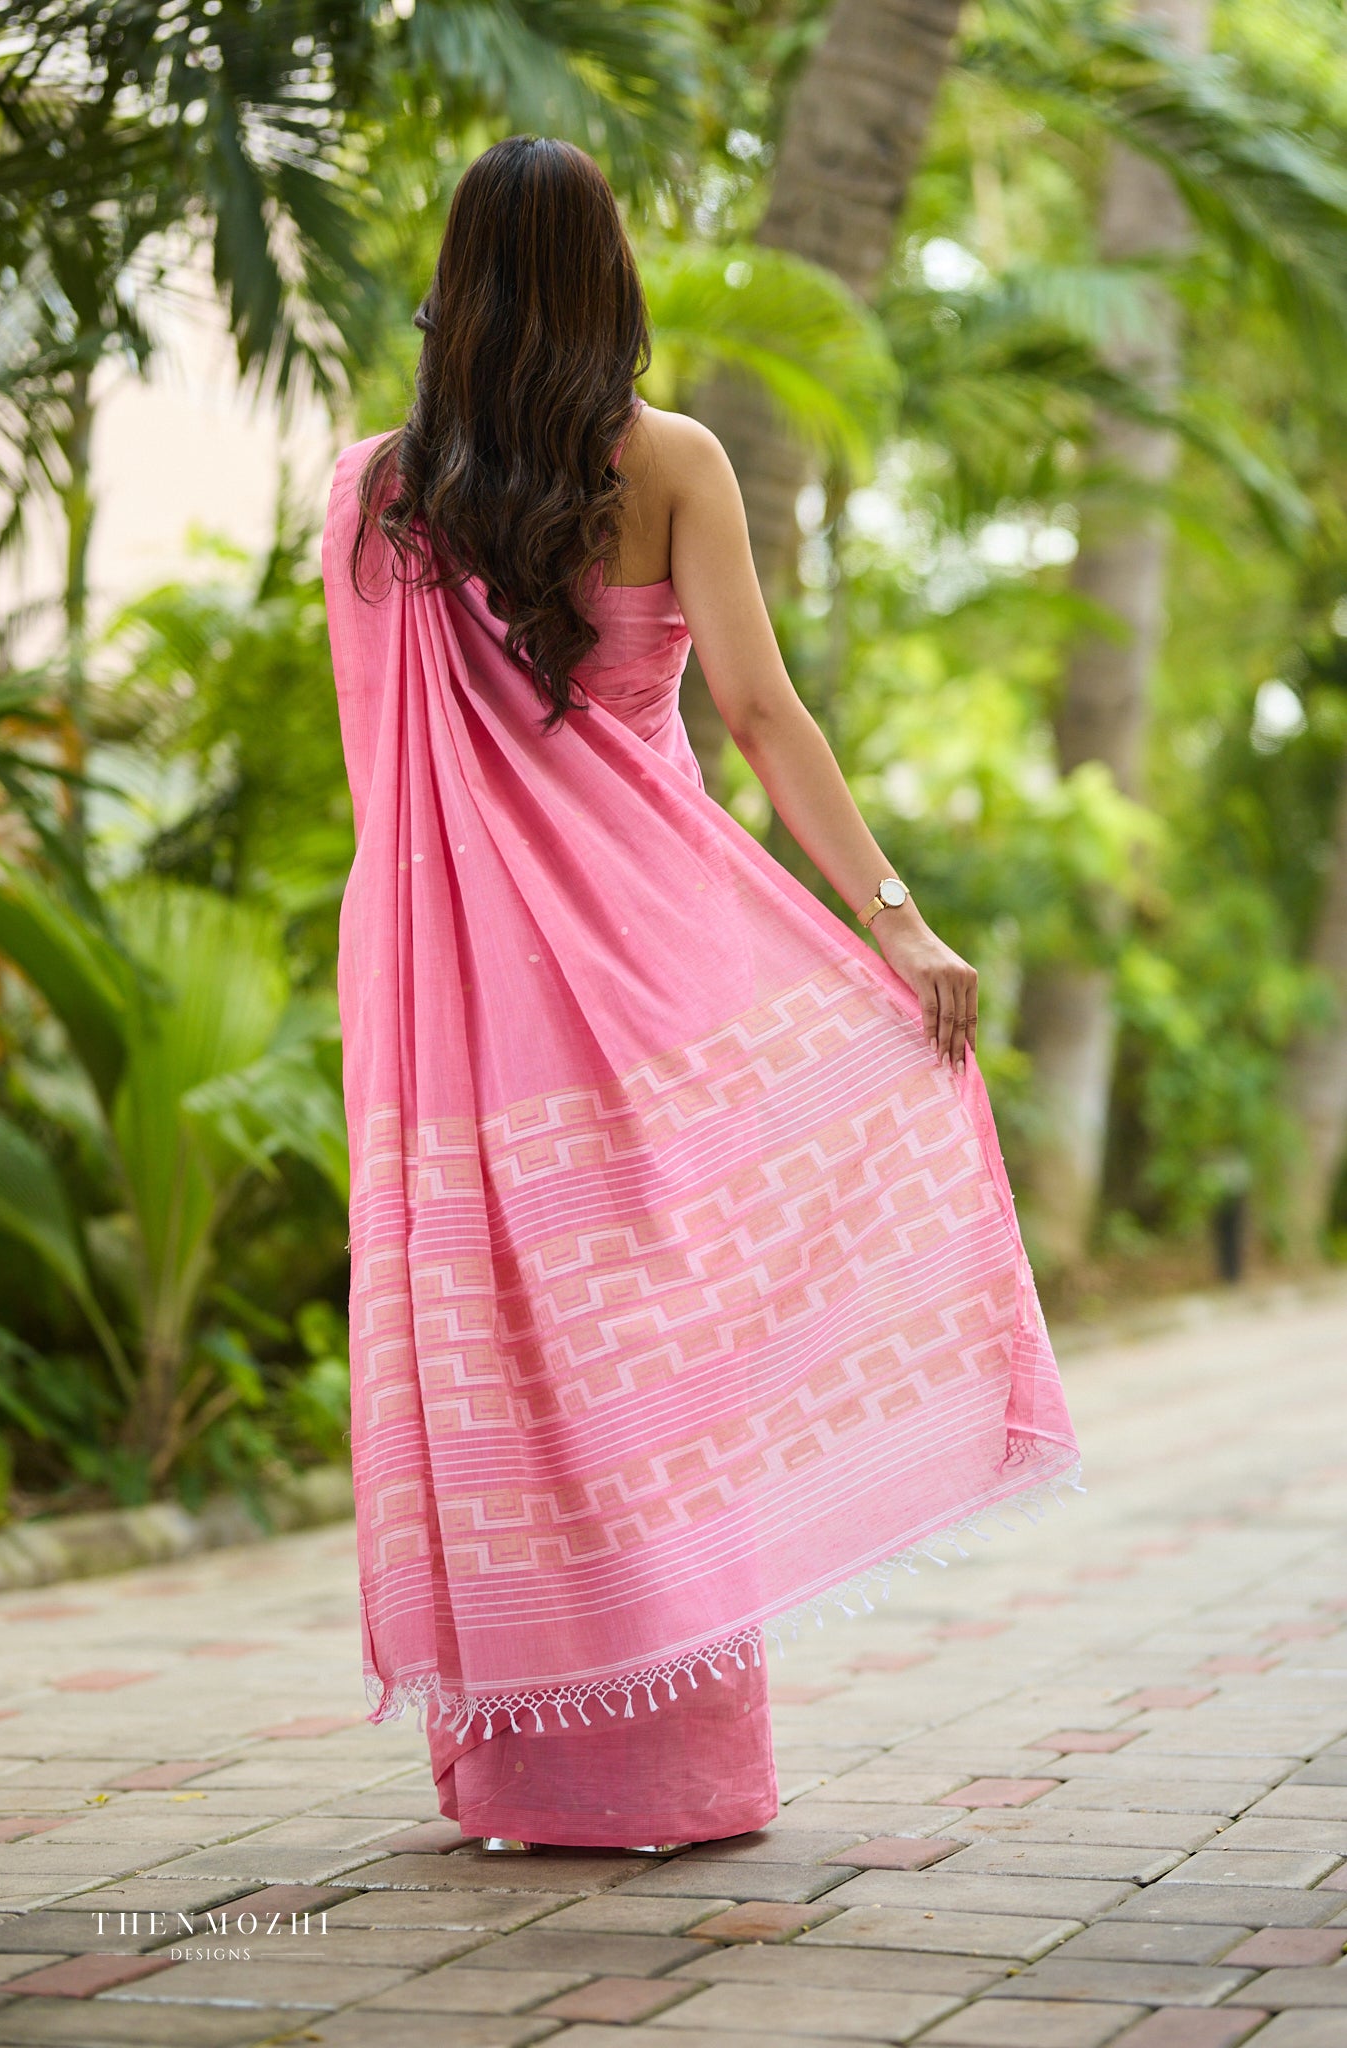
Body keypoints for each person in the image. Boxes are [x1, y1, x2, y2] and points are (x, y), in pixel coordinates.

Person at [320, 134, 1081, 1857]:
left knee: (502, 1337)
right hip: (657, 968)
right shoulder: (668, 461)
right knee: (655, 1345)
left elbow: (391, 779)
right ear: (610, 281)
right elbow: (760, 713)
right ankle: (669, 1768)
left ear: (454, 284)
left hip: (454, 983)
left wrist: (427, 963)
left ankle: (528, 1771)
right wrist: (894, 923)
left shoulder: (373, 494)